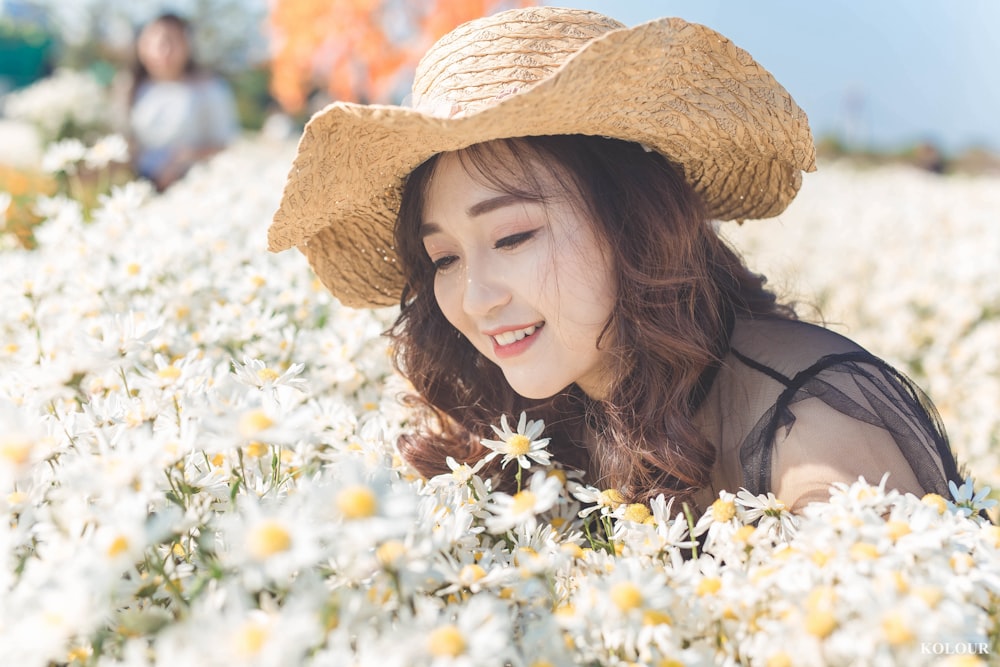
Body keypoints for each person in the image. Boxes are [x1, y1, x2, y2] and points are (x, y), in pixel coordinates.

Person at [267, 7, 965, 513]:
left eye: (513, 237)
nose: (475, 297)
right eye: (443, 257)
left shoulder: (810, 435)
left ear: (635, 221)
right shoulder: (528, 410)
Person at [114, 12, 239, 190]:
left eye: (170, 41)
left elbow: (225, 145)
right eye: (152, 43)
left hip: (194, 188)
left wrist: (185, 159)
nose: (162, 51)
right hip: (139, 186)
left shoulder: (209, 88)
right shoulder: (130, 88)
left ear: (187, 44)